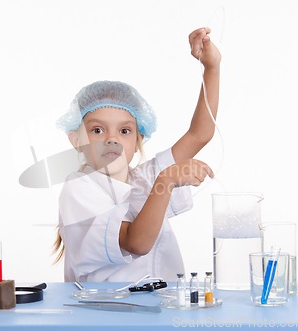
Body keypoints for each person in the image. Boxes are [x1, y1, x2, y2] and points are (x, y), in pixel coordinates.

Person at [54, 27, 221, 282]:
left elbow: (200, 134)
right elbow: (137, 243)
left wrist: (211, 69)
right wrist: (166, 181)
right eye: (97, 130)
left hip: (159, 311)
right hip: (105, 317)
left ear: (137, 140)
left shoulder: (145, 178)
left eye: (124, 130)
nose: (111, 138)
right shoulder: (79, 189)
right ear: (76, 140)